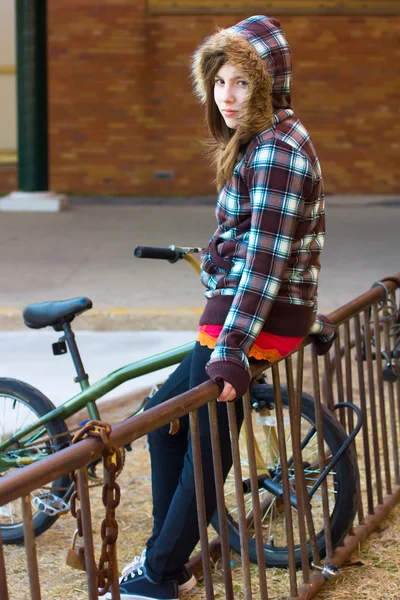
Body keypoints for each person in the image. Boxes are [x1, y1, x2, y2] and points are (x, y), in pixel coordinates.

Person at [108, 15, 335, 600]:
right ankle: (166, 556)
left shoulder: (278, 151)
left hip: (251, 319)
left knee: (204, 440)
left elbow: (264, 262)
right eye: (219, 82)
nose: (227, 98)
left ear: (269, 86)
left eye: (241, 84)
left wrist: (230, 352)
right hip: (247, 308)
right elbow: (256, 240)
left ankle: (157, 576)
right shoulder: (265, 141)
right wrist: (219, 255)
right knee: (164, 423)